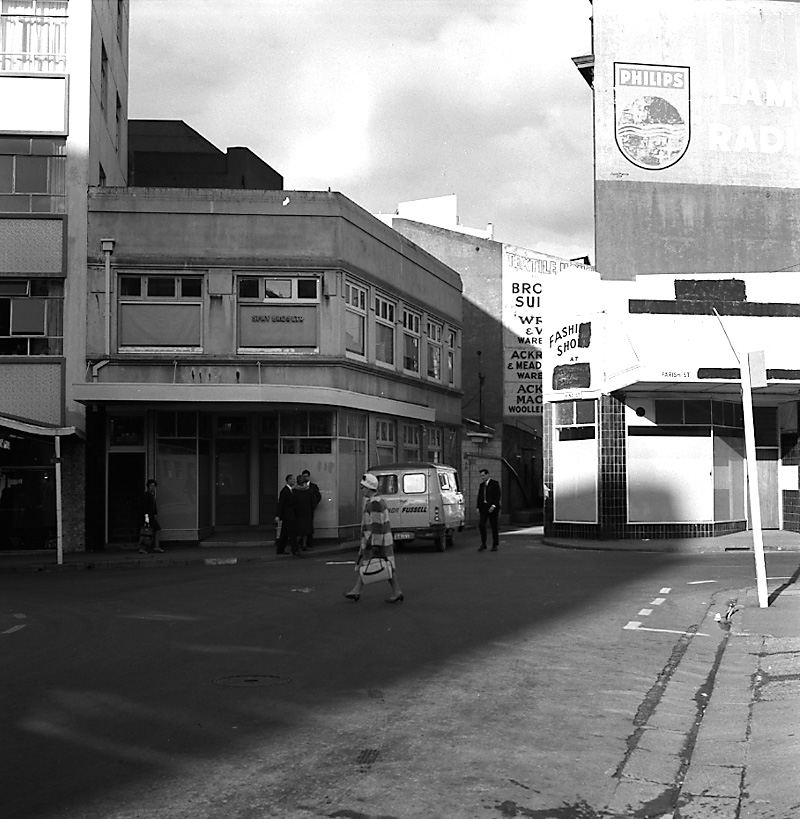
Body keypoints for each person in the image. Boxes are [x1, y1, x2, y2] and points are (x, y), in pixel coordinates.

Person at [344, 473, 404, 604]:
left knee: (377, 565)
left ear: (369, 488)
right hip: (380, 540)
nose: (362, 490)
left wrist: (374, 545)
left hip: (376, 541)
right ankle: (357, 590)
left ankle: (395, 591)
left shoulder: (375, 504)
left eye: (363, 487)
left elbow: (377, 526)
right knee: (379, 565)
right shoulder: (377, 501)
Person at [275, 474, 301, 557]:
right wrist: (278, 515)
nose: (294, 481)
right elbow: (281, 504)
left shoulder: (291, 490)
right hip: (288, 515)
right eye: (293, 479)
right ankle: (295, 550)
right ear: (288, 480)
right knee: (292, 532)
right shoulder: (285, 491)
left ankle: (280, 549)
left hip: (289, 515)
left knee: (284, 533)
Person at [476, 468, 501, 552]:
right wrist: (478, 507)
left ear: (487, 475)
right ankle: (483, 544)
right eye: (481, 476)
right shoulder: (481, 485)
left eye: (483, 475)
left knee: (494, 526)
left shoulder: (494, 484)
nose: (482, 477)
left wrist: (493, 505)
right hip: (484, 507)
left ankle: (495, 544)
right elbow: (479, 496)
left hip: (492, 507)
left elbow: (497, 495)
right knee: (481, 524)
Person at [139, 479, 164, 553]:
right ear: (148, 486)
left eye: (154, 486)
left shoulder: (151, 495)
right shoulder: (147, 495)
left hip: (151, 516)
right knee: (146, 532)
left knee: (152, 531)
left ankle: (155, 546)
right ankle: (144, 548)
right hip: (148, 517)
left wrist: (154, 513)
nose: (153, 487)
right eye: (151, 486)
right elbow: (145, 507)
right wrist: (146, 518)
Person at [293, 473, 316, 551]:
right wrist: (312, 508)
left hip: (297, 512)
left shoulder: (294, 490)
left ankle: (296, 545)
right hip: (306, 512)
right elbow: (312, 500)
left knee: (297, 530)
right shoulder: (308, 490)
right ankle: (304, 544)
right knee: (305, 530)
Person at [300, 469, 321, 548]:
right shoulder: (300, 486)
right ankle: (302, 541)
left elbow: (318, 496)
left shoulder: (313, 486)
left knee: (309, 524)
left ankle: (309, 541)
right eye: (304, 476)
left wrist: (314, 505)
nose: (305, 478)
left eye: (306, 476)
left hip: (309, 508)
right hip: (302, 509)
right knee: (302, 525)